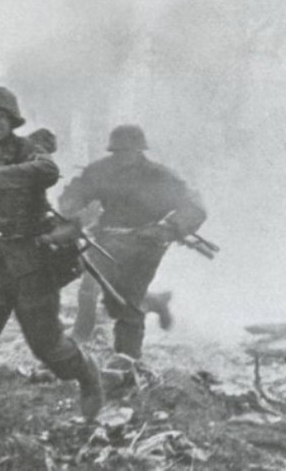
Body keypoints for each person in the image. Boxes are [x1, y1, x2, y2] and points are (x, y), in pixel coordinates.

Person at [0, 86, 103, 459]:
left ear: (11, 121)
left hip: (31, 263)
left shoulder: (29, 151)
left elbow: (48, 171)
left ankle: (86, 372)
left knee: (48, 348)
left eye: (0, 116)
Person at [59, 124, 206, 359]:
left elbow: (194, 207)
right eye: (117, 152)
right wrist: (71, 208)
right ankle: (81, 334)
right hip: (107, 238)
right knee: (90, 286)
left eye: (128, 151)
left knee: (128, 302)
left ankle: (127, 358)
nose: (122, 157)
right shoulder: (101, 170)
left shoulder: (160, 176)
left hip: (146, 245)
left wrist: (170, 228)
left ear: (140, 151)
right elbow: (75, 192)